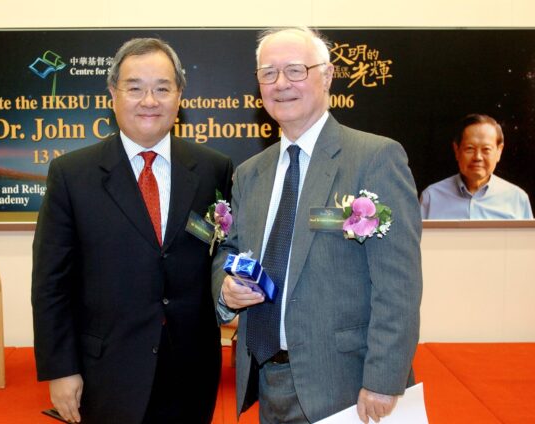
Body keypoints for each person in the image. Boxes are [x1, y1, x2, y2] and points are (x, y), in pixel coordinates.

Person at [212, 27, 423, 424]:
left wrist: (383, 379)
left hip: (345, 383)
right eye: (268, 73)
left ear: (326, 76)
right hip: (266, 380)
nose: (281, 84)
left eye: (295, 70)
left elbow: (399, 285)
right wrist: (225, 291)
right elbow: (228, 250)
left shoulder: (375, 157)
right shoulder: (250, 173)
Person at [32, 38, 233, 424]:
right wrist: (60, 369)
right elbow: (50, 283)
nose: (149, 101)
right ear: (113, 94)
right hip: (107, 367)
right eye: (135, 88)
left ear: (179, 96)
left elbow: (223, 253)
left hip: (192, 365)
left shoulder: (213, 169)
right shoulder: (72, 175)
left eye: (162, 88)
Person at [420, 114, 533, 219]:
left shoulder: (517, 199)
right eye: (470, 148)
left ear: (499, 151)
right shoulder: (431, 197)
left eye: (486, 149)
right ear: (456, 150)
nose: (478, 157)